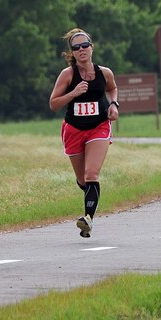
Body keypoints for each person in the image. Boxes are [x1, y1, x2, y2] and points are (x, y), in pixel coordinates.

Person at [49, 28, 119, 238]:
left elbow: (112, 88)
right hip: (74, 129)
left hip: (99, 126)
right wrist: (73, 93)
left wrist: (114, 104)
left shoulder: (104, 72)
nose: (81, 50)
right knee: (82, 180)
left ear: (91, 47)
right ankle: (90, 197)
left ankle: (87, 218)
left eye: (85, 45)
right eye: (76, 47)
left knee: (91, 174)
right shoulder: (67, 74)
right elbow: (53, 104)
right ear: (72, 52)